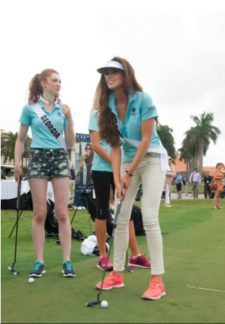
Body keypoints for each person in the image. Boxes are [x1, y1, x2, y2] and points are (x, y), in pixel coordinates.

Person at [94, 57, 167, 300]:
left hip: (152, 159)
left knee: (148, 217)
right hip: (127, 161)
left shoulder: (143, 99)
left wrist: (128, 173)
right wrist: (117, 178)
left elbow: (146, 141)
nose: (108, 76)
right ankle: (116, 274)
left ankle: (157, 280)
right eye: (105, 73)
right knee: (121, 218)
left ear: (126, 74)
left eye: (113, 72)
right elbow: (114, 146)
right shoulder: (108, 105)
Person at [14, 68, 76, 278]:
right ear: (43, 83)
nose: (59, 84)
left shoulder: (63, 110)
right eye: (55, 80)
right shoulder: (30, 108)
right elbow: (21, 139)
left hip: (59, 157)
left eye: (60, 80)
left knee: (62, 213)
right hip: (38, 157)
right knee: (40, 213)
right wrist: (16, 163)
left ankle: (67, 261)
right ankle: (39, 261)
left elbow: (70, 143)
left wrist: (70, 118)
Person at [88, 109, 150, 271]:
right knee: (102, 210)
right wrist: (114, 163)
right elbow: (95, 144)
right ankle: (102, 256)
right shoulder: (96, 113)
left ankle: (135, 255)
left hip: (123, 168)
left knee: (125, 210)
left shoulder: (123, 113)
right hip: (102, 168)